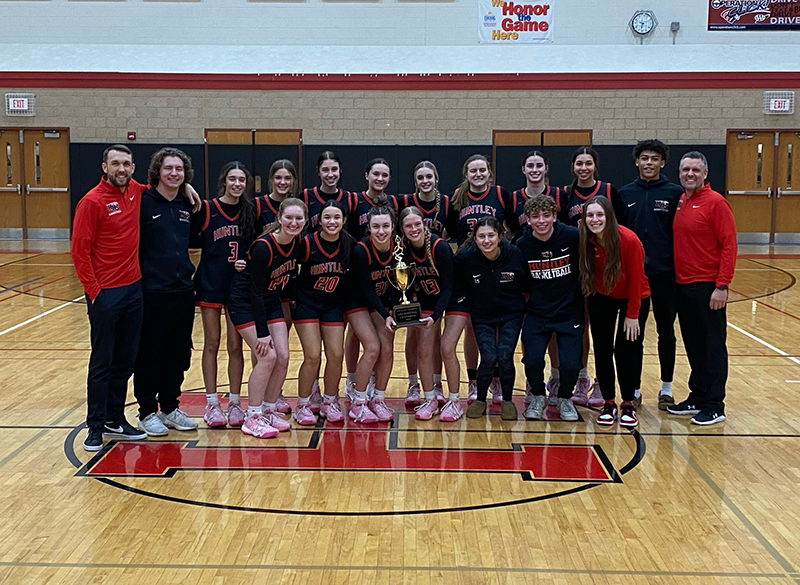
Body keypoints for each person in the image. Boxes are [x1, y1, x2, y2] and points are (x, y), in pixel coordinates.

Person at [71, 145, 150, 451]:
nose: (122, 168)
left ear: (132, 167)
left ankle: (115, 418)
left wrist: (186, 186)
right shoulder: (91, 202)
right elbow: (80, 252)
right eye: (115, 163)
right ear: (104, 167)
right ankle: (95, 425)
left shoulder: (135, 191)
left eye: (126, 164)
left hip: (134, 291)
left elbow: (162, 184)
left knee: (125, 361)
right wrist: (95, 293)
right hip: (105, 295)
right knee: (102, 362)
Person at [227, 198, 307, 437]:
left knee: (282, 356)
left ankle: (269, 408)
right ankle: (252, 416)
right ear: (279, 219)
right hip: (245, 303)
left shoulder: (298, 242)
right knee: (267, 356)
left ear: (305, 220)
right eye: (289, 218)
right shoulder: (264, 246)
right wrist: (262, 333)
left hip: (270, 302)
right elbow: (254, 292)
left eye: (298, 218)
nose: (294, 223)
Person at [133, 148, 199, 437]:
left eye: (179, 169)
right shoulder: (142, 202)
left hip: (183, 290)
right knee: (150, 353)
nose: (174, 173)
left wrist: (187, 188)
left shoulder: (187, 203)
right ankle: (146, 411)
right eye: (168, 168)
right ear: (157, 172)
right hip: (152, 291)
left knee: (178, 352)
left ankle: (170, 407)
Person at [667, 152, 736, 426]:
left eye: (696, 170)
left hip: (708, 287)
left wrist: (722, 285)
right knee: (694, 346)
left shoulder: (717, 203)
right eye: (686, 170)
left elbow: (729, 245)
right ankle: (697, 396)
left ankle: (715, 403)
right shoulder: (682, 200)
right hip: (684, 286)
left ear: (705, 173)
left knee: (713, 347)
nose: (690, 174)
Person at [615, 140, 684, 410]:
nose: (649, 163)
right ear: (636, 161)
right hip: (633, 278)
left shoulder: (674, 193)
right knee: (634, 333)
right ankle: (633, 388)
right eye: (644, 158)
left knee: (666, 332)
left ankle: (666, 388)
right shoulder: (625, 193)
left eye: (654, 158)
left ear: (662, 163)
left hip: (665, 275)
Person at [446, 154, 519, 403]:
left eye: (482, 170)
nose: (478, 175)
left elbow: (512, 226)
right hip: (470, 260)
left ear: (489, 172)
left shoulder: (501, 194)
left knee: (496, 327)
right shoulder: (457, 197)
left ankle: (496, 379)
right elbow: (451, 231)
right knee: (472, 328)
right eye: (472, 171)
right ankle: (474, 380)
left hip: (495, 261)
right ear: (466, 174)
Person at [195, 162, 259, 429]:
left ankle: (234, 402)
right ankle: (212, 404)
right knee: (212, 343)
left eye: (241, 179)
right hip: (211, 282)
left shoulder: (250, 210)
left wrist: (249, 261)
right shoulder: (207, 208)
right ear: (224, 180)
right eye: (232, 179)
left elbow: (256, 247)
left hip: (238, 287)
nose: (237, 184)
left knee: (236, 346)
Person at [579, 196, 650, 427]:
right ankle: (608, 402)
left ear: (609, 216)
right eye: (590, 215)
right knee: (602, 348)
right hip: (603, 297)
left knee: (627, 349)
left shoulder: (628, 240)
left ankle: (628, 402)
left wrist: (632, 314)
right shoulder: (586, 240)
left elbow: (637, 280)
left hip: (634, 296)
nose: (595, 219)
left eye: (599, 215)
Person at [515, 195, 583, 422]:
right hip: (537, 312)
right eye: (535, 216)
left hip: (568, 311)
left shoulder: (572, 236)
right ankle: (537, 396)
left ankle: (565, 398)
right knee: (532, 359)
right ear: (528, 219)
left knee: (571, 363)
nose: (541, 221)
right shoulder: (522, 245)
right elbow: (521, 280)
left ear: (555, 216)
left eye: (546, 215)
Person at [458, 217, 530, 420]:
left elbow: (527, 284)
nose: (486, 240)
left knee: (505, 356)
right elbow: (457, 285)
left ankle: (507, 401)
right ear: (474, 238)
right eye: (481, 236)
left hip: (511, 315)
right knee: (489, 357)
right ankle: (480, 399)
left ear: (500, 236)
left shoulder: (515, 255)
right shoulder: (465, 258)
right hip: (482, 316)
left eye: (491, 235)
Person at [559, 147, 615, 408]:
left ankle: (602, 382)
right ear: (573, 166)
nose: (583, 168)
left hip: (604, 267)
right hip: (576, 266)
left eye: (588, 163)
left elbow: (618, 229)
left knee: (602, 328)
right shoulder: (565, 194)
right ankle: (581, 377)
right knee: (580, 323)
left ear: (595, 166)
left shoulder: (608, 190)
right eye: (579, 163)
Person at [292, 201, 356, 425]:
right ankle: (302, 404)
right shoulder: (307, 243)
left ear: (344, 220)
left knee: (336, 354)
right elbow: (290, 269)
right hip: (306, 304)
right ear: (319, 220)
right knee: (312, 356)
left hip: (333, 306)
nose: (332, 222)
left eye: (337, 217)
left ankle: (330, 400)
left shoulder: (349, 244)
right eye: (327, 217)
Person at [397, 161, 451, 406]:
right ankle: (412, 384)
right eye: (420, 177)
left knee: (432, 340)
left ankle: (436, 385)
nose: (413, 228)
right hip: (415, 295)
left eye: (417, 224)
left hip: (438, 295)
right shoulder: (402, 248)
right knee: (412, 336)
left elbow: (449, 284)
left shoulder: (439, 246)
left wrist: (439, 310)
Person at [351, 205, 404, 423]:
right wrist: (386, 314)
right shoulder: (361, 250)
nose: (381, 231)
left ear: (392, 226)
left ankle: (378, 399)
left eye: (385, 226)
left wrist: (400, 309)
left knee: (387, 349)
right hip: (358, 301)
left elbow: (401, 281)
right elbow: (366, 289)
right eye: (376, 226)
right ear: (369, 228)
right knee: (372, 348)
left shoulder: (399, 246)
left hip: (383, 303)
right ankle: (359, 402)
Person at [302, 151, 354, 230]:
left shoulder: (349, 197)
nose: (330, 174)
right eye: (325, 170)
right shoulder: (307, 195)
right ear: (318, 172)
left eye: (334, 169)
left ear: (340, 170)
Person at [349, 158, 397, 240]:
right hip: (360, 250)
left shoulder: (393, 201)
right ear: (367, 176)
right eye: (376, 174)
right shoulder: (354, 199)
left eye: (385, 175)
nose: (380, 179)